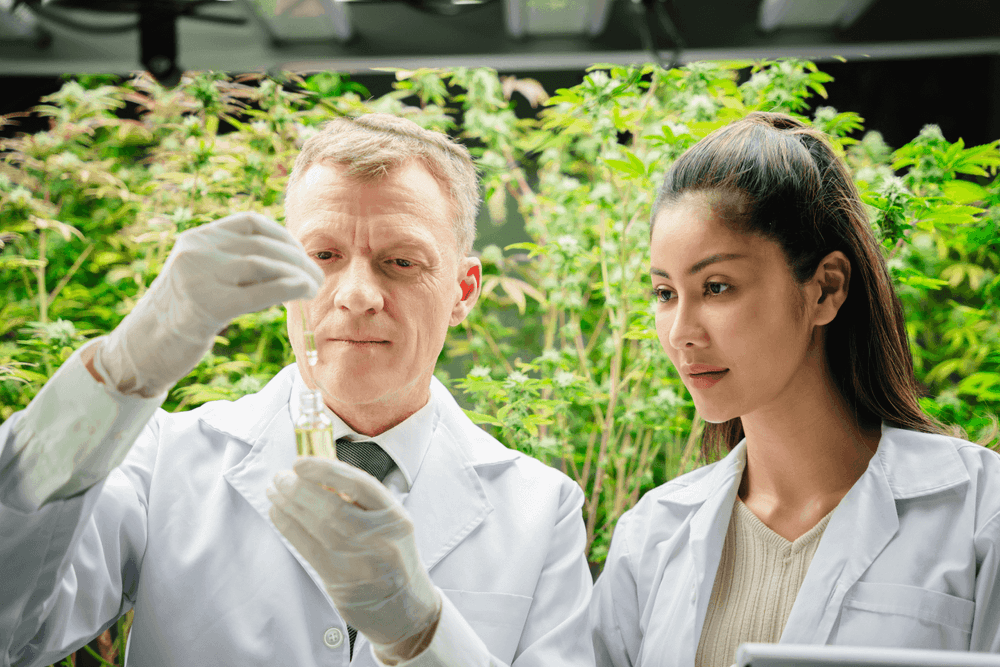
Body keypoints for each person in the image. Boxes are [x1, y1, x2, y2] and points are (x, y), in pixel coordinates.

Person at [0, 114, 594, 667]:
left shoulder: (542, 511)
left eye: (401, 262)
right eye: (324, 255)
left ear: (463, 290)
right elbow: (14, 633)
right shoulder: (165, 460)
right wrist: (118, 371)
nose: (356, 293)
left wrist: (423, 631)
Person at [590, 111, 1000, 667]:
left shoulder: (979, 509)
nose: (682, 332)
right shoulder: (653, 533)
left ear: (825, 289)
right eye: (665, 293)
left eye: (716, 287)